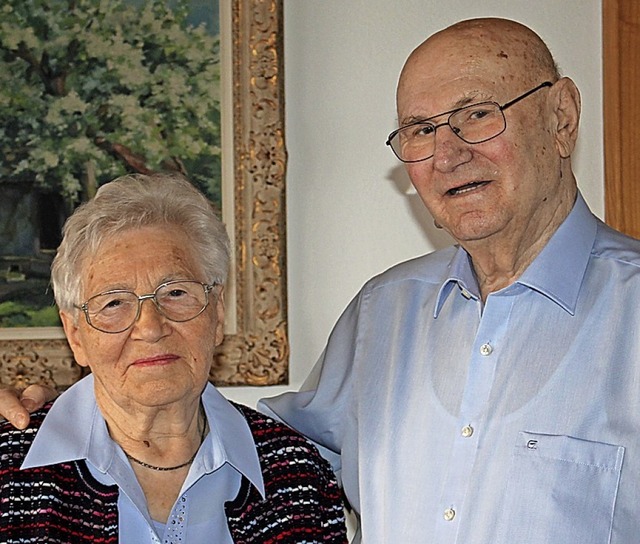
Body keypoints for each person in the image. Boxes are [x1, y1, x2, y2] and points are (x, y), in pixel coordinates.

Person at [4, 16, 640, 543]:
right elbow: (244, 438)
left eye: (476, 116)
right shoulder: (382, 316)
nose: (447, 153)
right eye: (421, 130)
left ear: (562, 116)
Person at [0, 173, 347, 543]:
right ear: (75, 335)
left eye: (176, 293)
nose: (150, 327)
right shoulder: (8, 470)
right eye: (114, 302)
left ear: (216, 314)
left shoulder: (299, 475)